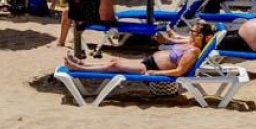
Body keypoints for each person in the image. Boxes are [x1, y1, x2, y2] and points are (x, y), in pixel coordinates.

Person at [62, 20, 216, 77]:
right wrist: (168, 37)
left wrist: (156, 72)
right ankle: (83, 64)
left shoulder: (194, 51)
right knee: (114, 60)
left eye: (194, 32)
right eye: (191, 31)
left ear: (204, 37)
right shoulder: (190, 42)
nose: (190, 34)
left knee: (114, 65)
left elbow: (179, 72)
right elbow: (176, 38)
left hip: (150, 68)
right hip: (149, 61)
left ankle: (77, 68)